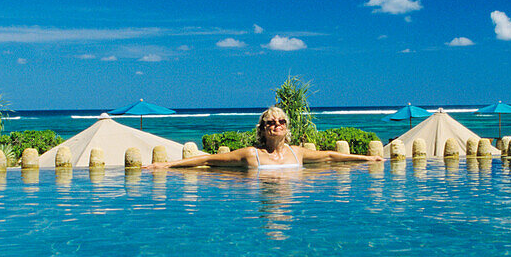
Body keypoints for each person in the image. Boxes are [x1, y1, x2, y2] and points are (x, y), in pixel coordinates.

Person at [148, 106, 383, 170]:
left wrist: (368, 160)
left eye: (281, 121)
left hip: (290, 200)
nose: (276, 125)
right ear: (262, 129)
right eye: (270, 122)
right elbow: (207, 160)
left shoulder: (297, 152)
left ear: (287, 127)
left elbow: (331, 156)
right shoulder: (251, 154)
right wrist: (167, 164)